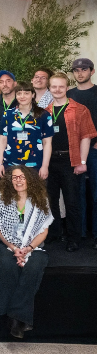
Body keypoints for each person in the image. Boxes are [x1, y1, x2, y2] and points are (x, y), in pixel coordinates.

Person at [0, 165, 52, 339]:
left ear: (29, 179)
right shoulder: (1, 198)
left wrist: (28, 248)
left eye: (22, 177)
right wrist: (14, 248)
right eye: (14, 177)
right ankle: (19, 318)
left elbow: (44, 231)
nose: (18, 180)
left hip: (34, 246)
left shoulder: (40, 199)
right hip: (7, 245)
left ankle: (14, 316)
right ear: (10, 181)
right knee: (7, 265)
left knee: (34, 267)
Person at [45, 73, 97, 251]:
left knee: (72, 201)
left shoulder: (80, 109)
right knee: (51, 200)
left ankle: (74, 238)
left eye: (61, 86)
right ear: (49, 89)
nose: (57, 89)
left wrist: (82, 161)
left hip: (71, 160)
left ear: (67, 88)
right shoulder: (44, 112)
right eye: (54, 86)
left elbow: (86, 137)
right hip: (50, 161)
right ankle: (54, 233)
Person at [67, 58, 97, 249]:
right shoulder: (69, 94)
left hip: (95, 150)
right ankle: (80, 233)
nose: (80, 73)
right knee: (76, 195)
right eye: (76, 70)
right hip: (73, 151)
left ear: (92, 71)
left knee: (96, 194)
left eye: (84, 69)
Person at [0, 82, 53, 179]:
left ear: (33, 95)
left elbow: (47, 143)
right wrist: (0, 163)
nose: (22, 96)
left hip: (35, 164)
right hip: (11, 163)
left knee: (34, 189)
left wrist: (45, 166)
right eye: (19, 93)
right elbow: (2, 141)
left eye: (26, 93)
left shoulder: (43, 115)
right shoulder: (8, 114)